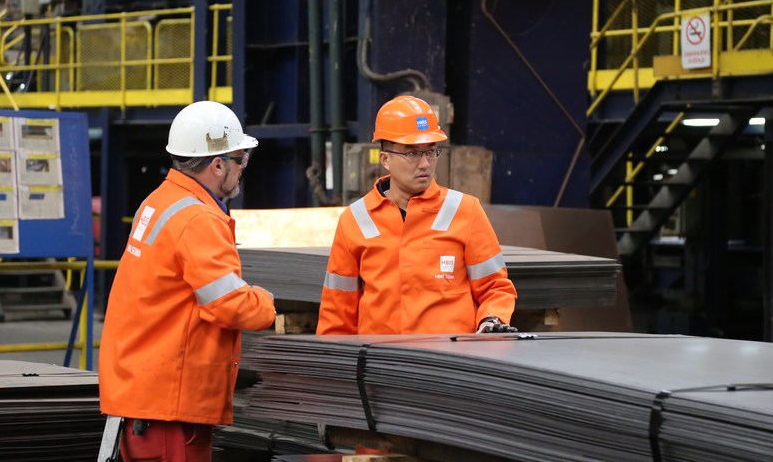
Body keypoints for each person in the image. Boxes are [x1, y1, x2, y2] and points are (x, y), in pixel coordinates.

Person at [99, 100, 276, 461]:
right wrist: (269, 303)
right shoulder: (198, 220)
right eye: (240, 160)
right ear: (217, 164)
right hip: (169, 409)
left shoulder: (159, 202)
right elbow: (230, 306)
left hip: (143, 396)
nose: (242, 169)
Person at [317, 94, 518, 335]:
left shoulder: (465, 211)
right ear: (385, 159)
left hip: (449, 364)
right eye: (412, 153)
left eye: (431, 151)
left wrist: (491, 319)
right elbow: (338, 310)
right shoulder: (355, 220)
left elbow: (495, 287)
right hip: (381, 364)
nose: (424, 163)